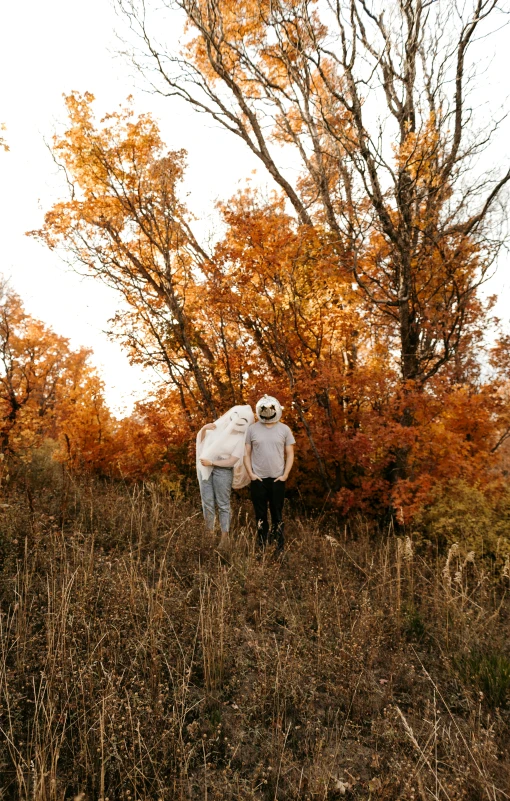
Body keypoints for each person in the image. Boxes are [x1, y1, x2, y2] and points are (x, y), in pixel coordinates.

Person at [196, 405, 254, 550]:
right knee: (207, 502)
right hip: (205, 467)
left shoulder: (240, 439)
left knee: (223, 504)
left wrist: (213, 462)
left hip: (223, 470)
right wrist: (203, 430)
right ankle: (209, 535)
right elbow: (202, 444)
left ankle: (224, 538)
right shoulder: (218, 429)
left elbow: (232, 461)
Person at [244, 394, 295, 551]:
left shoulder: (284, 429)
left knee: (277, 515)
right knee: (260, 516)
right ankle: (261, 547)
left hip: (277, 480)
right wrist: (251, 474)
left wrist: (285, 475)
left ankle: (279, 548)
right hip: (258, 480)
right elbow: (246, 453)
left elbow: (290, 453)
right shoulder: (252, 430)